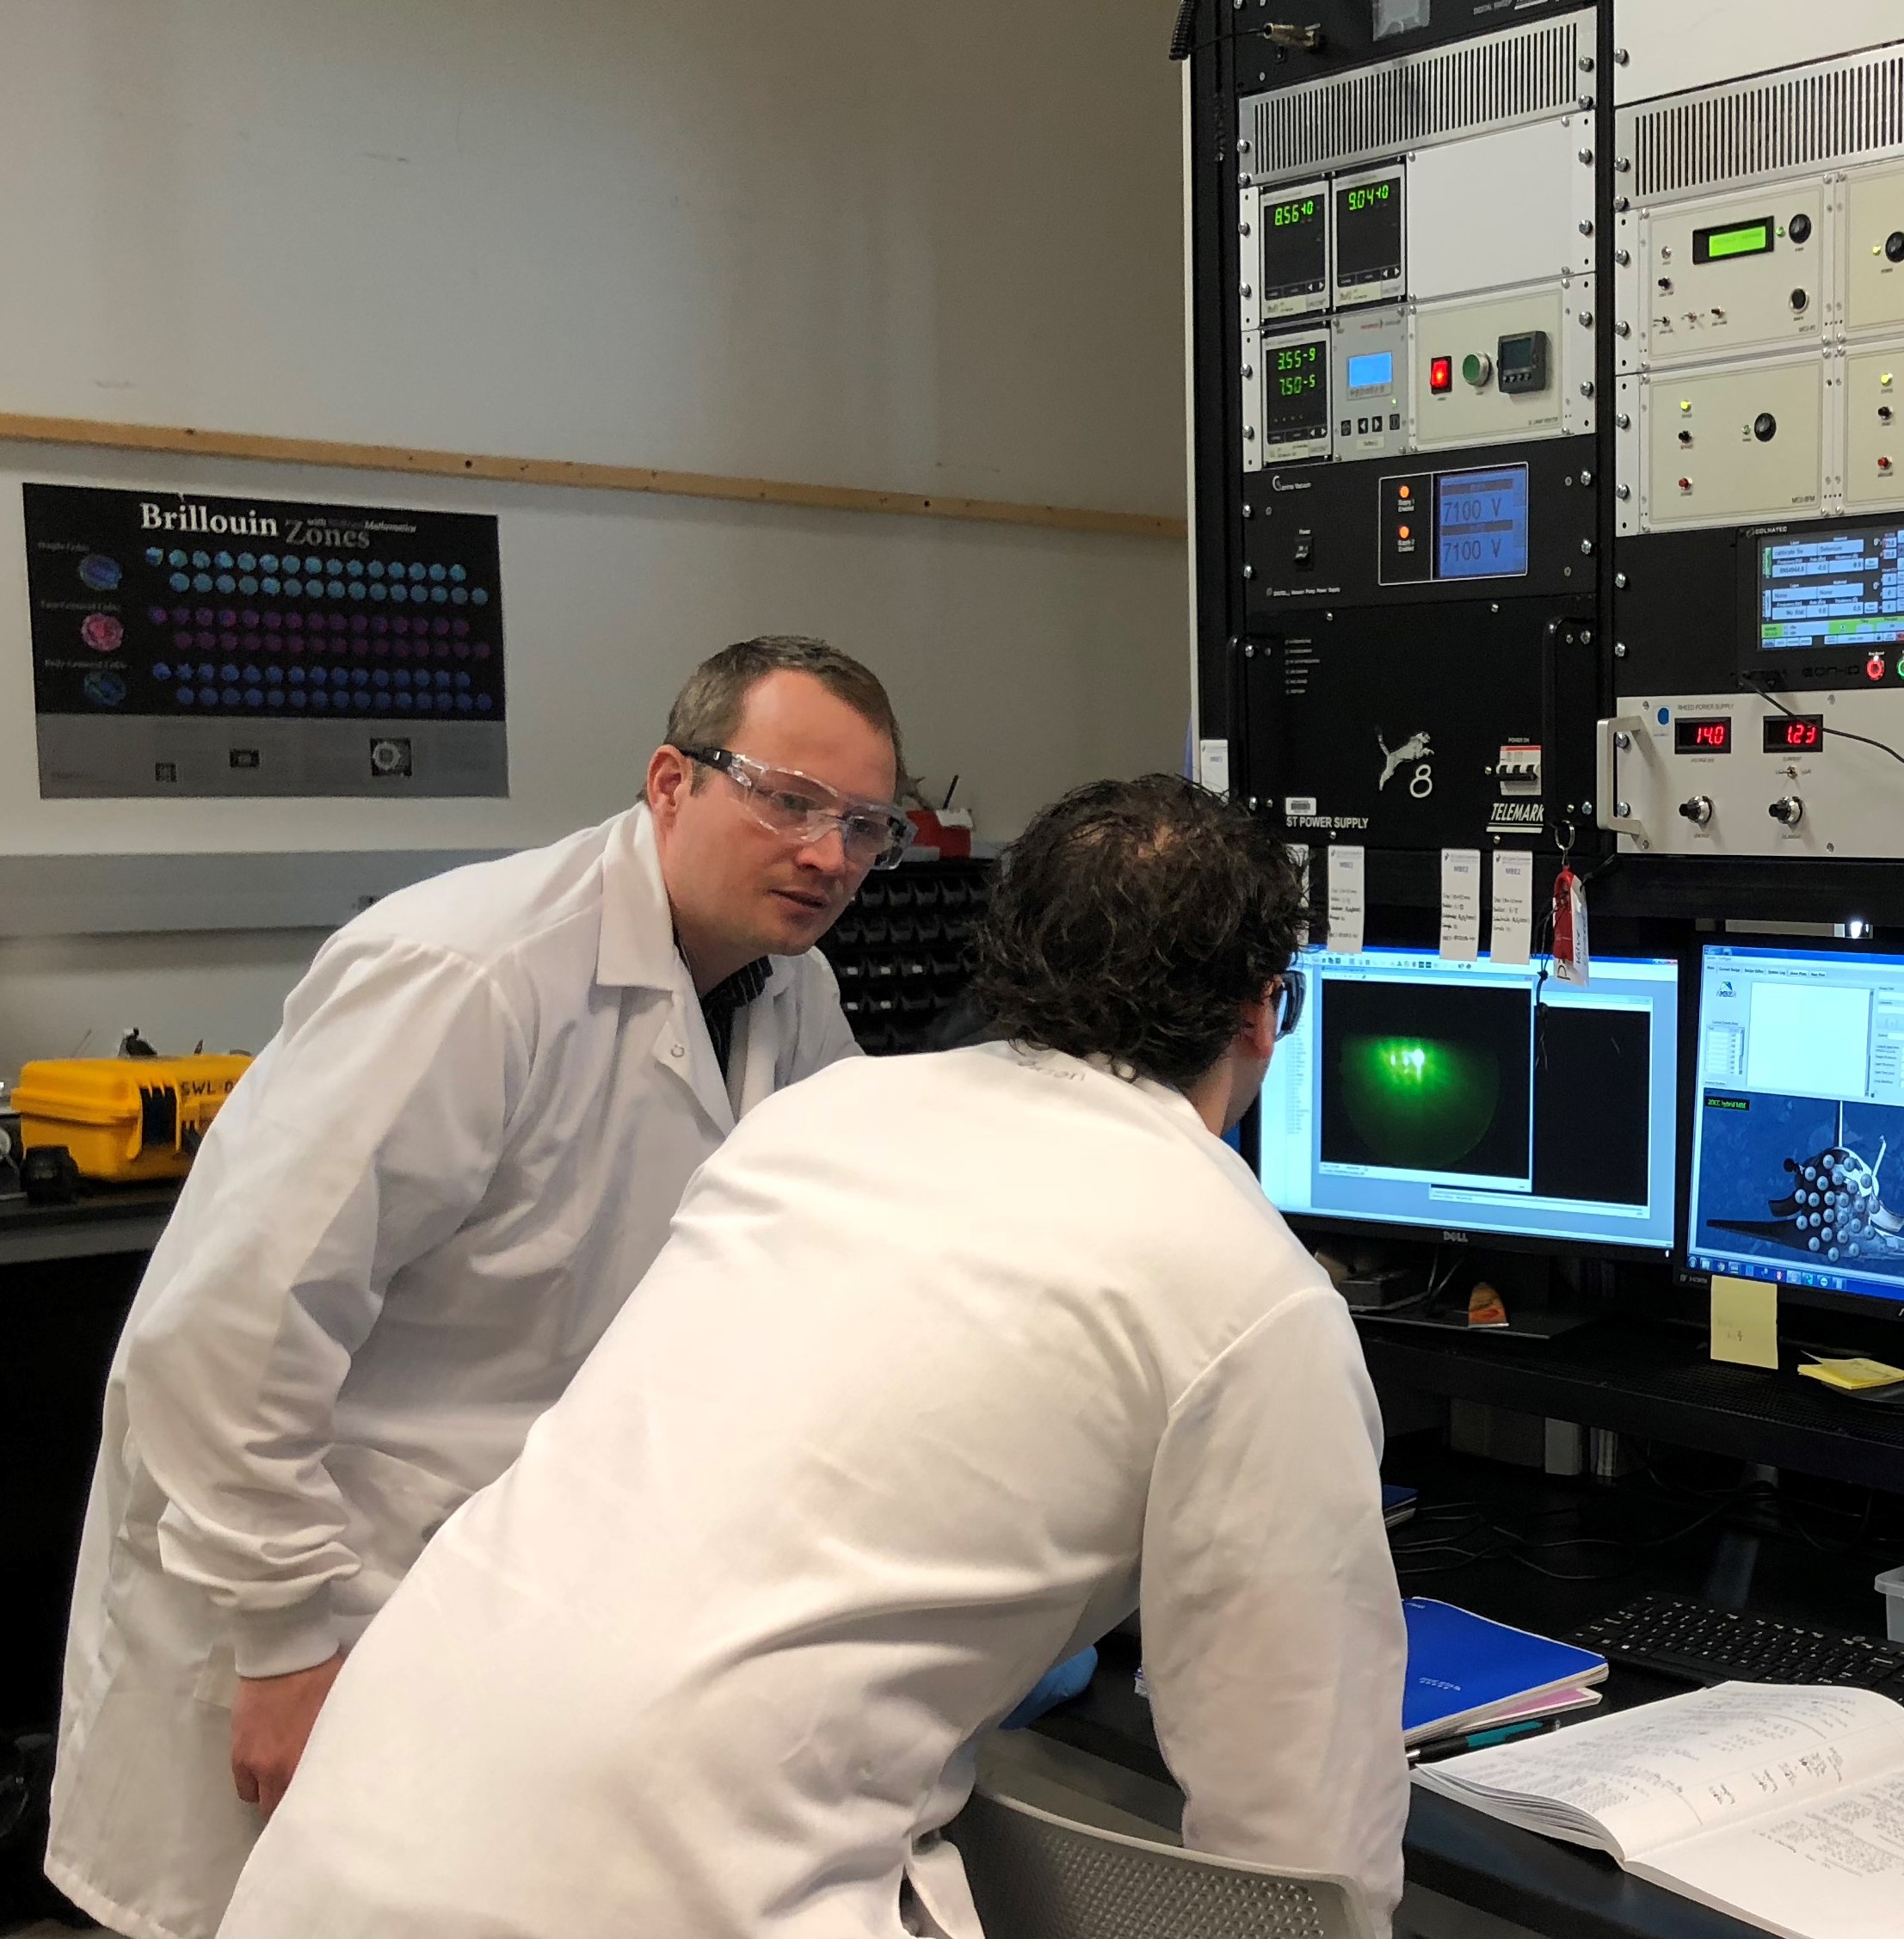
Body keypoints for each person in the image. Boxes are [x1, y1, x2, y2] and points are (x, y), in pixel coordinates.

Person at [218, 775, 1410, 1939]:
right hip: (673, 1886)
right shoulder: (1249, 1290)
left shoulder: (815, 1121)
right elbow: (1296, 1834)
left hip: (357, 1826)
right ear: (1264, 1011)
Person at [51, 637, 909, 1939]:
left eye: (863, 826)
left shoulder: (792, 995)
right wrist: (282, 1645)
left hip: (499, 1594)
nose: (827, 856)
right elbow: (229, 1329)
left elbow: (811, 1246)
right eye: (787, 800)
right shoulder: (468, 972)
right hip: (312, 1588)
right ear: (671, 781)